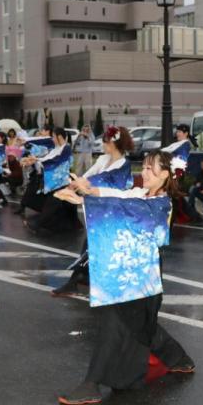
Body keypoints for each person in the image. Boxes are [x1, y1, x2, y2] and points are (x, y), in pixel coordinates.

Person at [52, 150, 194, 405]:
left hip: (145, 276)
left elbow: (130, 212)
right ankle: (178, 358)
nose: (144, 172)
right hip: (129, 272)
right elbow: (118, 196)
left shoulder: (163, 203)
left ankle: (91, 383)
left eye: (151, 169)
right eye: (144, 167)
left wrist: (84, 202)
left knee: (116, 320)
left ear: (165, 174)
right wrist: (88, 192)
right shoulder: (140, 194)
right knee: (141, 325)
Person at [52, 126, 134, 298]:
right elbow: (89, 175)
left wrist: (85, 183)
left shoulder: (124, 165)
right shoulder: (103, 159)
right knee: (92, 245)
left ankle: (84, 281)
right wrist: (76, 183)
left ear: (112, 143)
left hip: (114, 212)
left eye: (104, 141)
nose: (102, 145)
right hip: (98, 209)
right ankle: (79, 281)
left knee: (101, 248)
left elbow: (109, 182)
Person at [26, 128, 80, 235]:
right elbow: (47, 158)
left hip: (62, 183)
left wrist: (38, 160)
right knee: (67, 207)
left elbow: (56, 160)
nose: (53, 139)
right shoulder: (56, 148)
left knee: (52, 205)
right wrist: (34, 160)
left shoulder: (66, 148)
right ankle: (75, 225)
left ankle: (37, 224)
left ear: (59, 137)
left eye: (54, 137)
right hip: (55, 183)